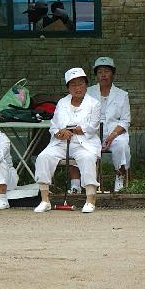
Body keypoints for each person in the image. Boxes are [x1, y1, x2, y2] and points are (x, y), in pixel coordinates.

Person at [33, 67, 101, 213]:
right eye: (74, 85)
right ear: (68, 87)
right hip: (61, 143)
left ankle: (90, 200)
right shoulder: (62, 103)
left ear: (86, 85)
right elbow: (53, 126)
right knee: (43, 157)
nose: (78, 88)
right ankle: (45, 200)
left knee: (88, 158)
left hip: (84, 143)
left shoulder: (94, 103)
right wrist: (59, 133)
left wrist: (76, 129)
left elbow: (93, 126)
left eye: (81, 84)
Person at [87, 56, 131, 192]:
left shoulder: (122, 95)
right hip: (93, 132)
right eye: (100, 72)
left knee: (121, 145)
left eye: (107, 71)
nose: (103, 75)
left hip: (116, 133)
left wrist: (111, 136)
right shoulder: (88, 92)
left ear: (113, 73)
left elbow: (125, 120)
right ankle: (87, 180)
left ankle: (120, 176)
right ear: (96, 75)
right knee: (83, 146)